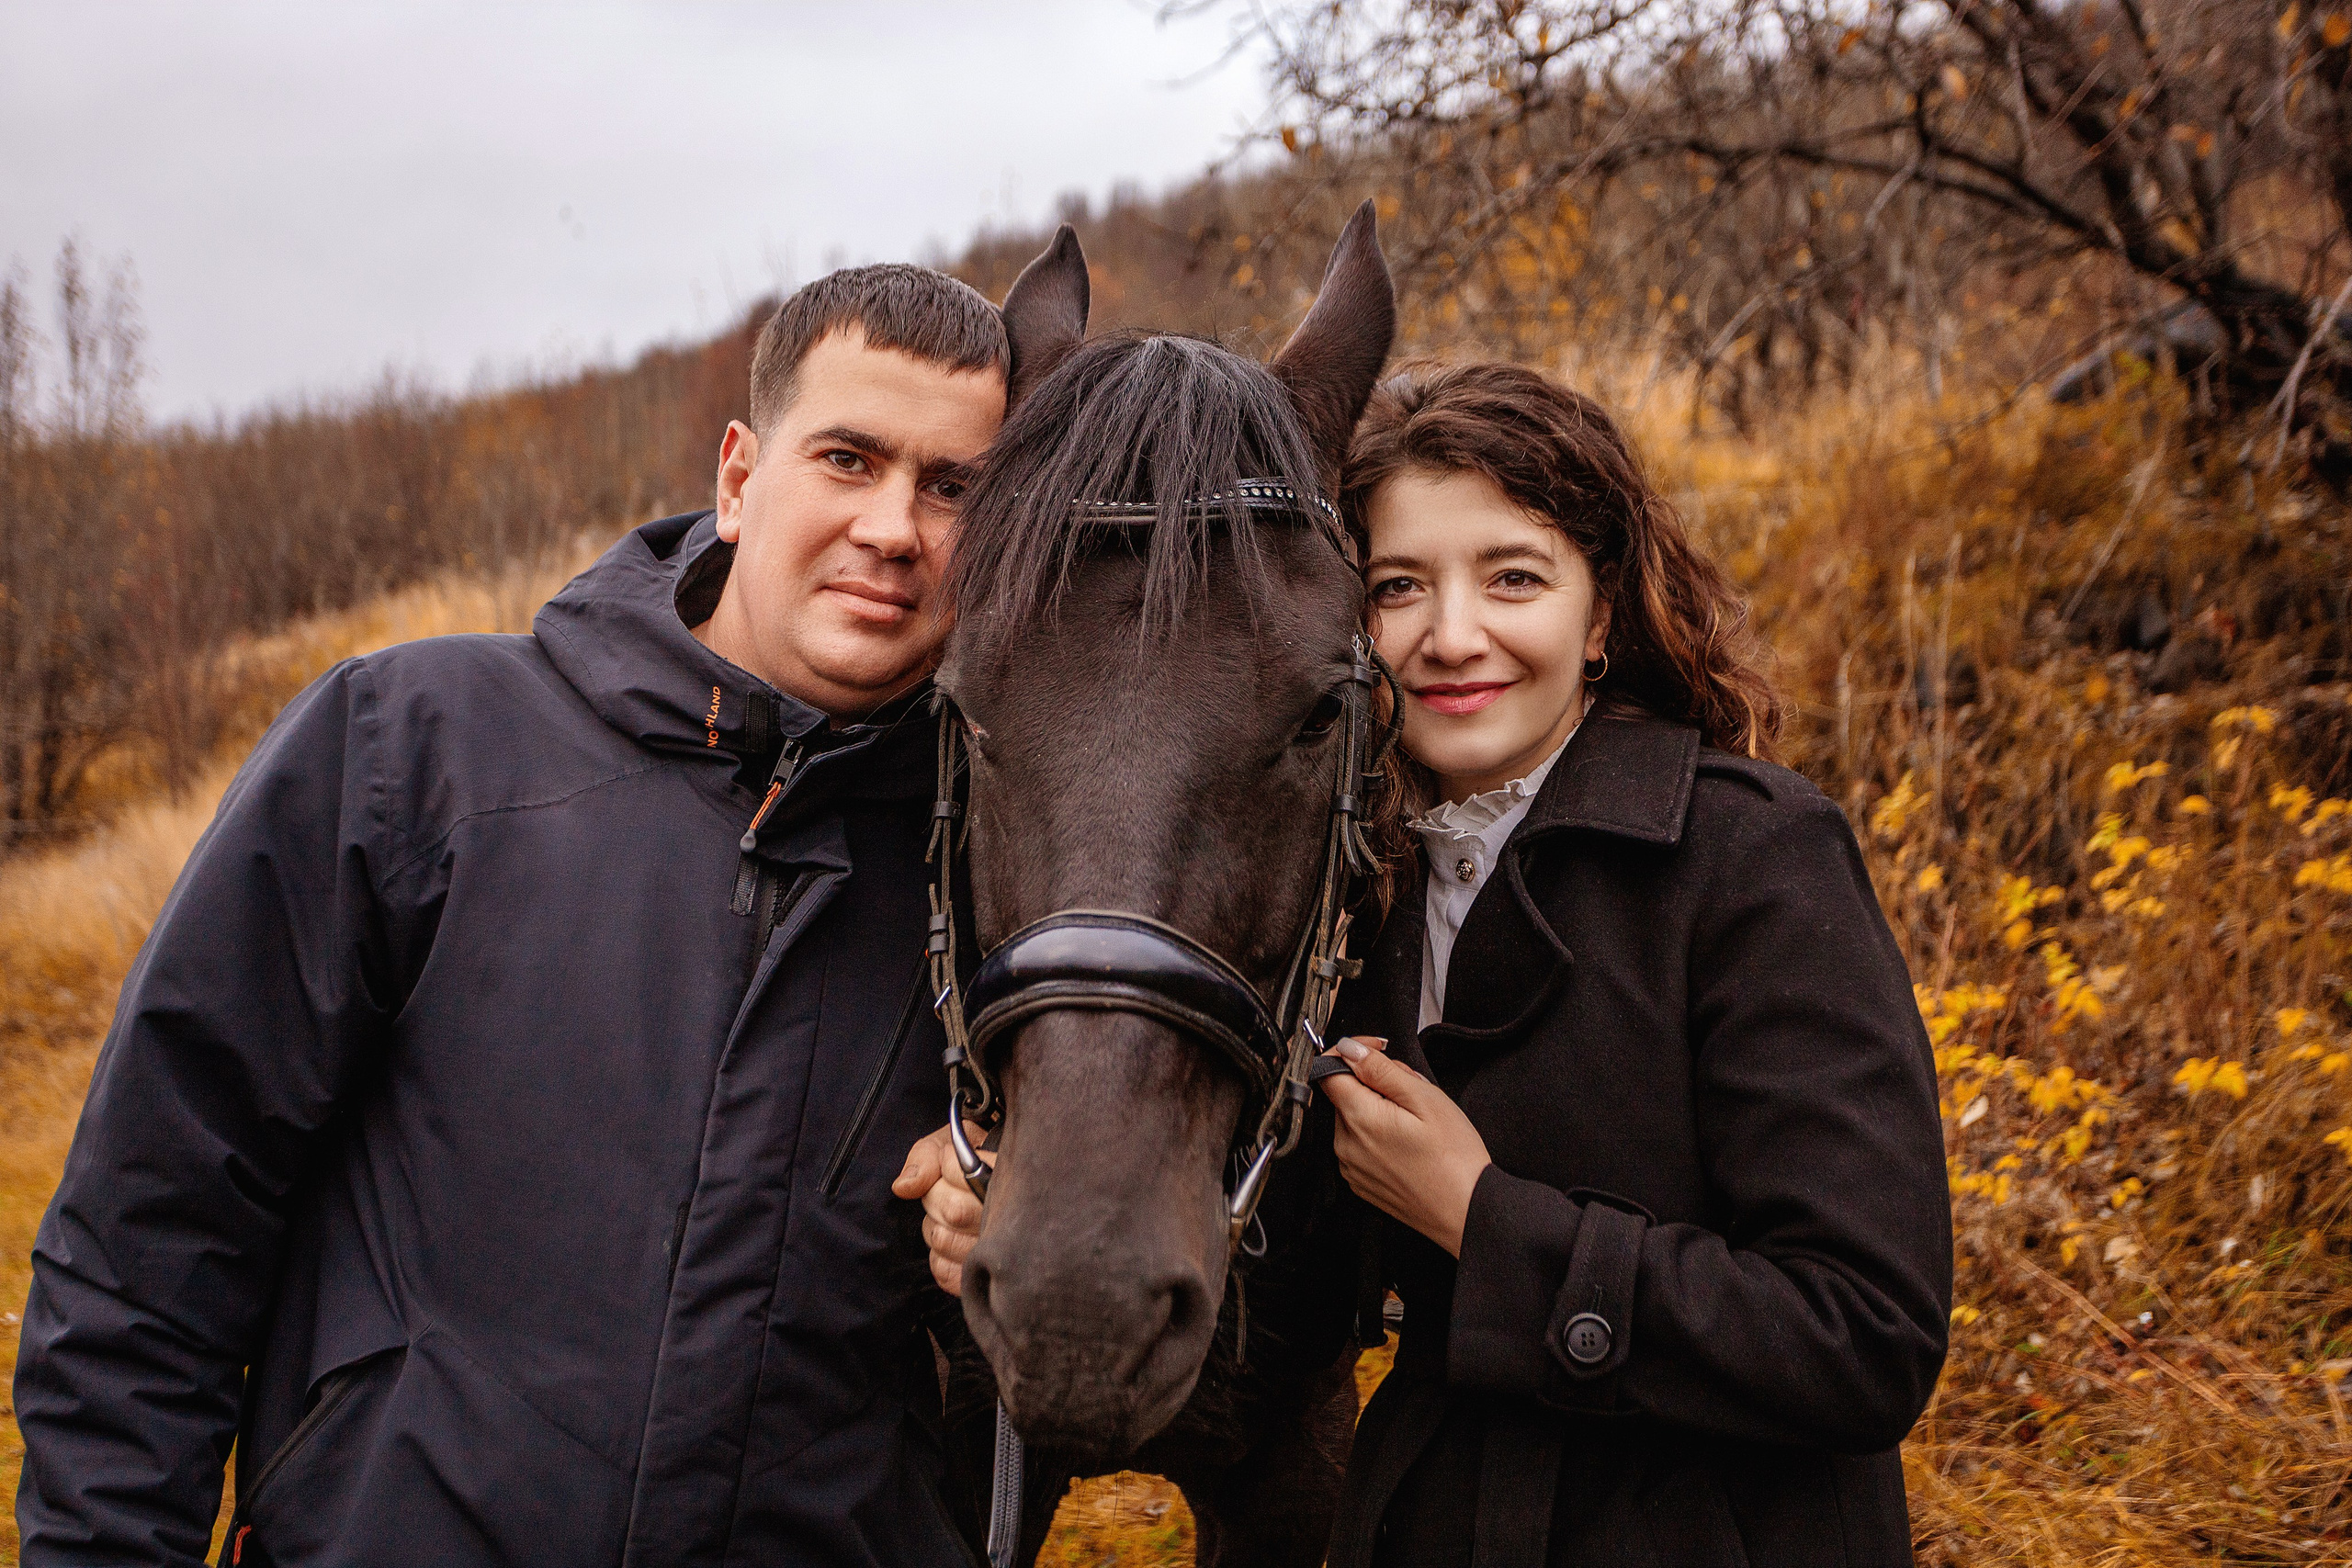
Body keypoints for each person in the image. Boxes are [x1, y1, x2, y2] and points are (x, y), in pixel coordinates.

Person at [14, 245, 1085, 1567]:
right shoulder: (414, 748)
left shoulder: (1007, 870)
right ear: (742, 478)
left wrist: (1018, 1238)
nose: (894, 528)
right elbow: (149, 1244)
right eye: (849, 460)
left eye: (953, 488)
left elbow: (1068, 1391)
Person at [1311, 362, 1952, 1567]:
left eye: (1514, 577)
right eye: (1399, 587)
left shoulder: (1755, 855)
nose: (1451, 638)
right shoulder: (1360, 886)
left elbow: (1866, 1337)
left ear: (1601, 611)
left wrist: (1486, 1222)